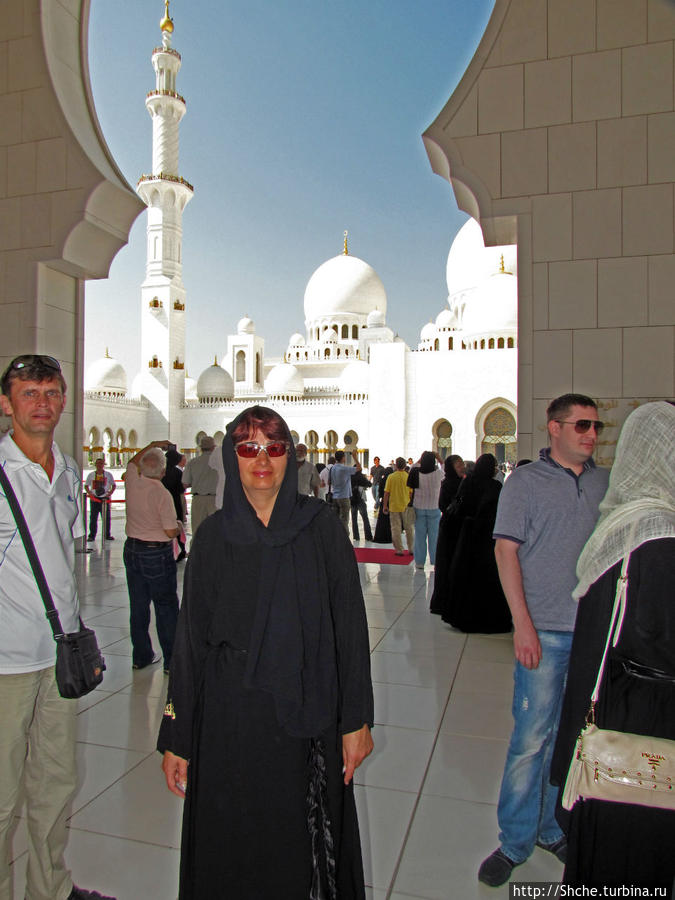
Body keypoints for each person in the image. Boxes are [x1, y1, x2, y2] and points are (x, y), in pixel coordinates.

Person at [158, 406, 374, 899]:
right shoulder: (213, 537)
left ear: (289, 456)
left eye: (274, 447)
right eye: (249, 447)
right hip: (229, 718)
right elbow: (189, 644)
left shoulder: (319, 528)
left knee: (300, 843)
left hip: (307, 712)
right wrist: (177, 734)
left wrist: (356, 719)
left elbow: (350, 627)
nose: (262, 459)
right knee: (232, 839)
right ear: (232, 458)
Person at [478, 393, 610, 887]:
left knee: (570, 739)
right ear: (553, 428)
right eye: (581, 425)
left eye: (595, 425)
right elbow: (505, 552)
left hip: (592, 634)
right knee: (530, 741)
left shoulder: (604, 483)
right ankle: (514, 841)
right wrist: (524, 626)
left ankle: (553, 827)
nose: (591, 434)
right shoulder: (526, 482)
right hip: (545, 632)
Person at [0, 354, 115, 900]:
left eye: (51, 393)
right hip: (5, 663)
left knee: (54, 784)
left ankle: (48, 890)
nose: (42, 403)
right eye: (29, 393)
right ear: (7, 404)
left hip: (59, 658)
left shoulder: (68, 471)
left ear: (64, 400)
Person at [550, 401, 675, 890]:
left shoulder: (618, 533)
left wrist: (566, 762)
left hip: (615, 728)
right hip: (655, 727)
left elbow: (590, 660)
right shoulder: (661, 539)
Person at [436, 453, 512, 632]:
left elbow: (459, 506)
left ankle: (463, 615)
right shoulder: (495, 486)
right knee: (487, 576)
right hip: (487, 537)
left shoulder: (468, 482)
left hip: (468, 535)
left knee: (465, 573)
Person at [123, 440, 180, 674]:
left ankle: (141, 656)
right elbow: (169, 531)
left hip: (132, 549)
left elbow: (131, 462)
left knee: (138, 606)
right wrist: (178, 527)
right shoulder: (161, 493)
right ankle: (171, 660)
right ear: (163, 471)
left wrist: (153, 444)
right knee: (165, 606)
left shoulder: (132, 482)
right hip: (156, 553)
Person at [408, 451, 443, 569]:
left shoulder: (416, 473)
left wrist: (420, 458)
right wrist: (438, 458)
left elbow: (412, 466)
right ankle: (435, 560)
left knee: (419, 536)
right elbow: (446, 469)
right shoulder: (438, 474)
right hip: (434, 508)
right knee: (434, 536)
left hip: (419, 508)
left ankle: (419, 562)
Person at [182, 435, 218, 539]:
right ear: (213, 447)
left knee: (198, 531)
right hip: (215, 499)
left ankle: (197, 554)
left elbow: (185, 483)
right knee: (216, 532)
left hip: (198, 499)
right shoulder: (220, 462)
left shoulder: (193, 462)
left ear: (200, 448)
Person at [382, 457, 414, 556]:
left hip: (394, 506)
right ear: (405, 465)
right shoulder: (408, 476)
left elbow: (386, 493)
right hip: (406, 506)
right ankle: (411, 549)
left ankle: (399, 550)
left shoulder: (391, 477)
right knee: (409, 528)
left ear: (396, 465)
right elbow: (411, 493)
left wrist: (384, 505)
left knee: (396, 529)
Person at [162, 446, 188, 561]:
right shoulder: (177, 472)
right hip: (175, 501)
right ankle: (180, 551)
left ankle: (165, 551)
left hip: (162, 502)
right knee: (177, 525)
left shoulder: (161, 471)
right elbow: (181, 490)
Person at [329, 449, 361, 535]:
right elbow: (359, 468)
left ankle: (336, 539)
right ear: (343, 458)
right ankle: (344, 540)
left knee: (336, 520)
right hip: (343, 497)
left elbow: (329, 482)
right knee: (344, 520)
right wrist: (354, 457)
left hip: (335, 497)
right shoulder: (344, 468)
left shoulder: (332, 468)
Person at [85, 457, 116, 542]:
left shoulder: (108, 475)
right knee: (93, 518)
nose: (99, 465)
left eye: (101, 463)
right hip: (95, 499)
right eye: (98, 463)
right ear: (95, 465)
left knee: (106, 518)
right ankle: (92, 535)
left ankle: (107, 535)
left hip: (105, 499)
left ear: (103, 465)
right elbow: (86, 485)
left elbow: (113, 485)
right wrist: (90, 493)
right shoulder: (91, 475)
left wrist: (110, 493)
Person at [350, 469, 373, 541]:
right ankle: (368, 536)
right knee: (365, 518)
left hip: (352, 500)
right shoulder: (361, 478)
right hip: (361, 499)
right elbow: (369, 484)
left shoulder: (350, 478)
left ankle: (356, 536)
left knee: (354, 518)